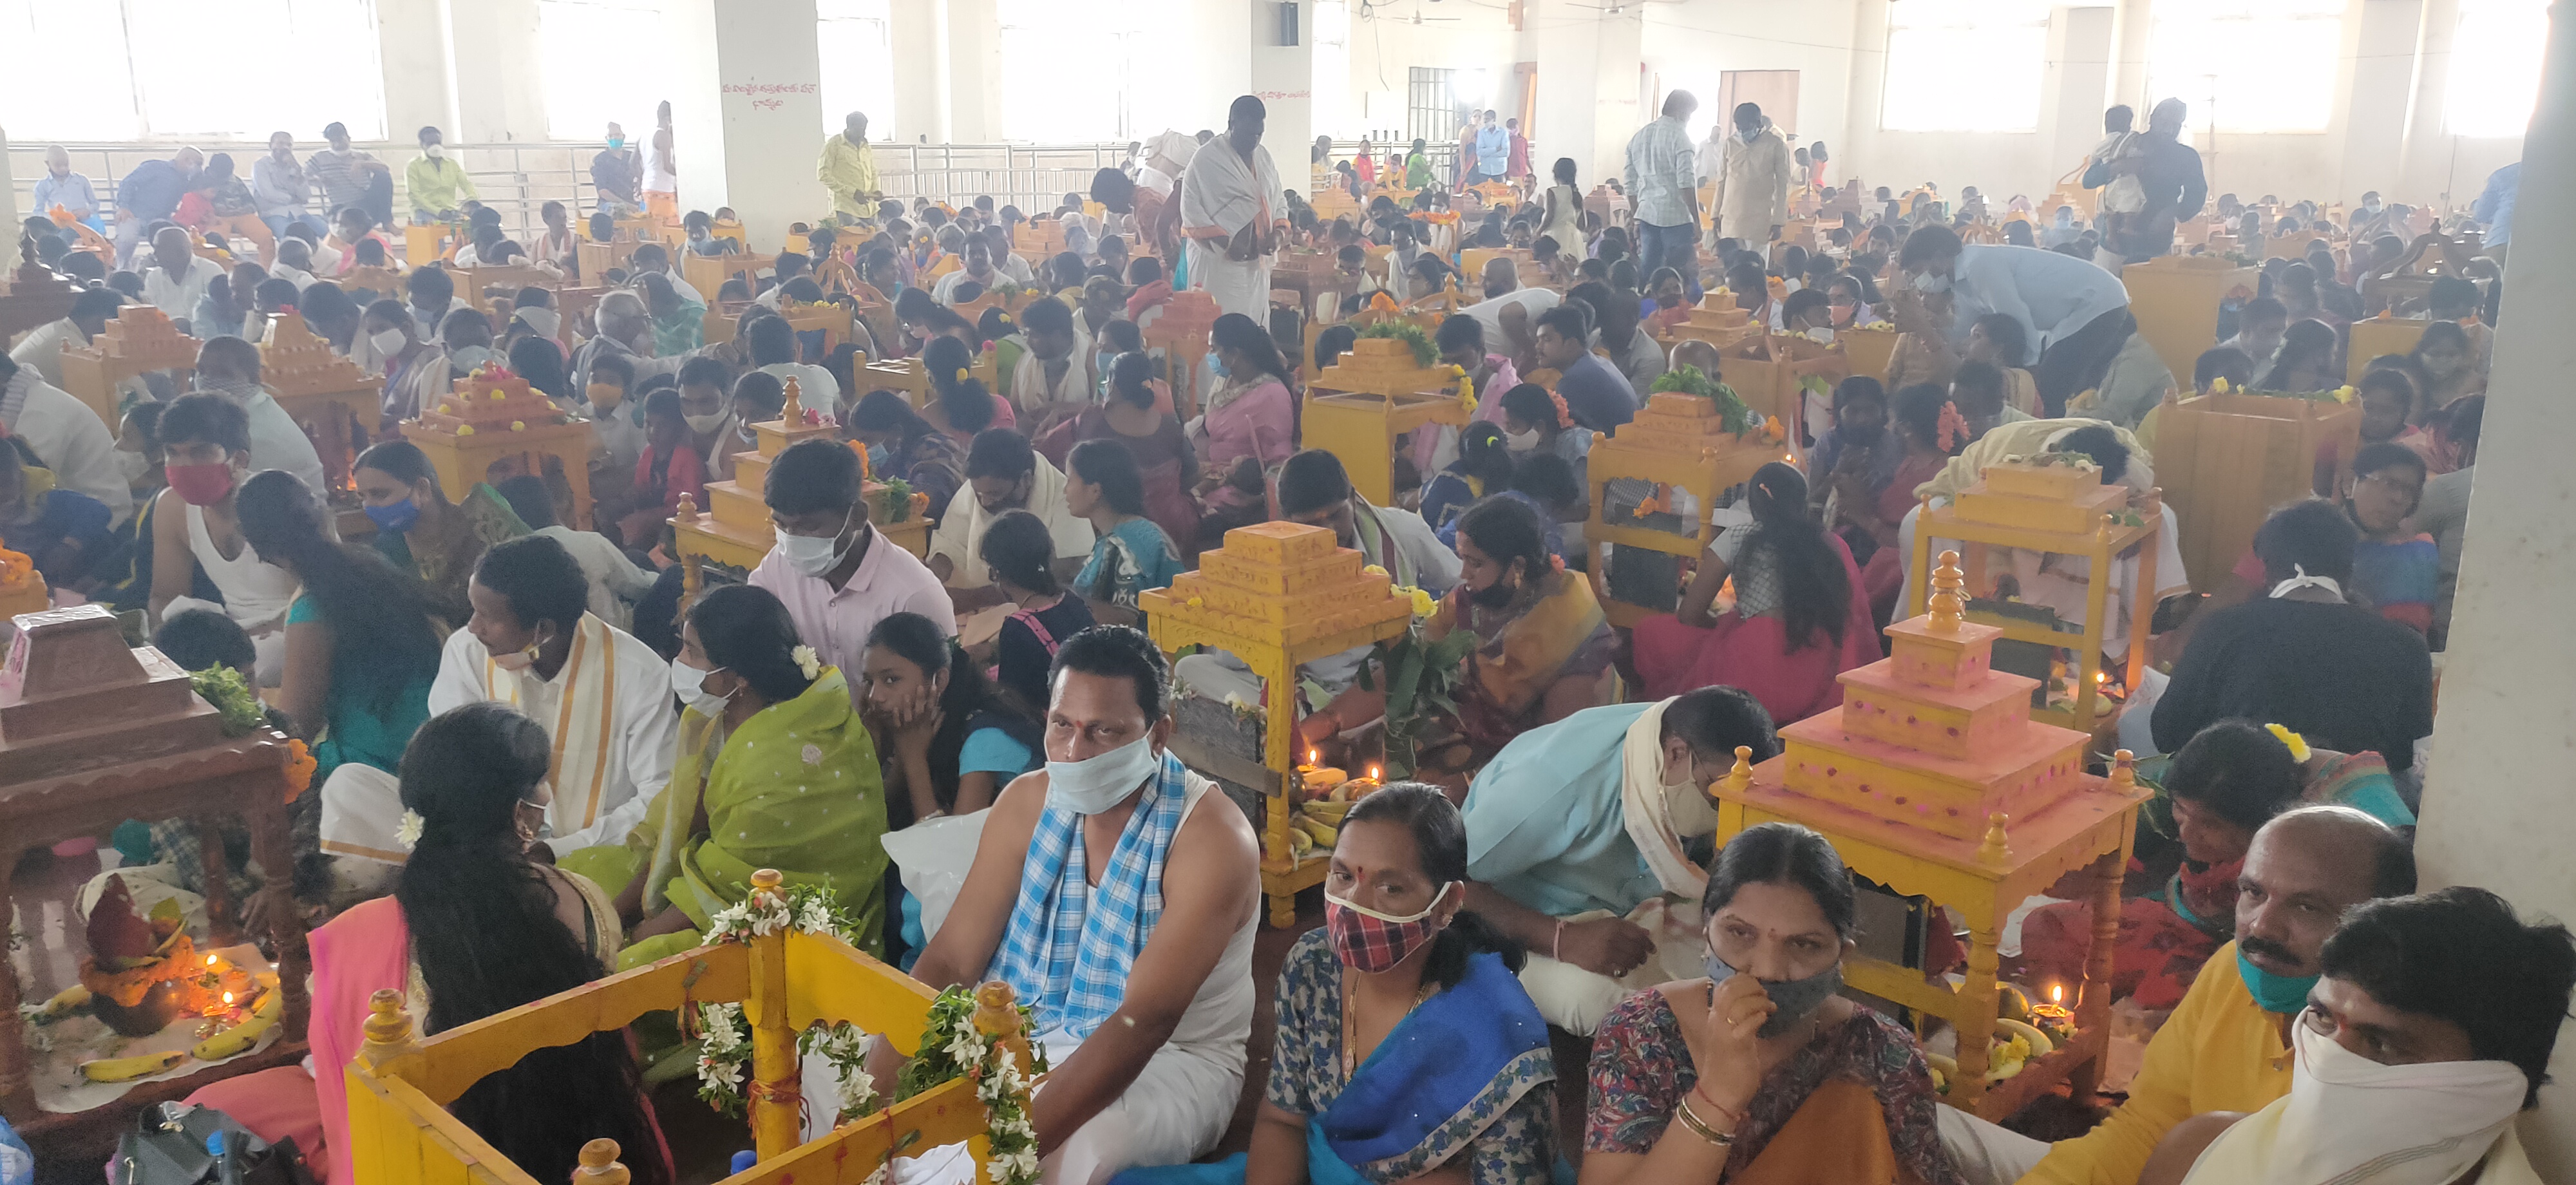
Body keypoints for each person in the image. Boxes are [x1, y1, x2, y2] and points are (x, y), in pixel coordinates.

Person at [184, 701, 670, 1185]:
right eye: (542, 781)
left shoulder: (353, 940)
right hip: (591, 1150)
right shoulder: (586, 901)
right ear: (521, 811)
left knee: (214, 1107)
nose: (549, 793)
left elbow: (349, 1099)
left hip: (432, 1164)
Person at [890, 625, 1259, 1183]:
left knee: (1081, 1149)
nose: (1074, 752)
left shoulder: (1211, 838)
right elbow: (952, 961)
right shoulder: (1027, 801)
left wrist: (1006, 1147)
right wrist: (881, 1090)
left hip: (1168, 1062)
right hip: (1027, 1021)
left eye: (1104, 732)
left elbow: (1144, 1022)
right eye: (1062, 725)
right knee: (847, 1068)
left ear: (1159, 735)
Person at [1940, 805, 2416, 1185]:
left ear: (2377, 923)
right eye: (2253, 893)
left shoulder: (2385, 1059)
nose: (2261, 928)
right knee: (1911, 1119)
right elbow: (2146, 1126)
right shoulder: (2232, 969)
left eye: (2308, 906)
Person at [1127, 784, 1557, 1185]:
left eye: (1391, 887)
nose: (1355, 905)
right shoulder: (1314, 967)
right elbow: (1284, 1120)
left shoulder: (1499, 1036)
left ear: (1446, 905)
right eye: (1344, 875)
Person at [1584, 822, 1961, 1184]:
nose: (1767, 970)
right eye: (1739, 932)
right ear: (1706, 931)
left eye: (1804, 944)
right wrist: (1718, 1094)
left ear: (1840, 957)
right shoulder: (1639, 1033)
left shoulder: (1885, 1053)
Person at [2154, 887, 2572, 1185]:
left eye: (2384, 1044)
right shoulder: (2201, 1151)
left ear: (2493, 1087)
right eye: (2321, 1017)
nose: (2329, 1064)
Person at [1456, 686, 1781, 1034]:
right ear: (1675, 754)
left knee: (1737, 962)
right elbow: (1450, 888)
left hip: (1617, 907)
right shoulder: (1556, 789)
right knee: (1608, 1004)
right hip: (1503, 924)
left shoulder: (1678, 745)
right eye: (1715, 795)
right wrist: (1563, 939)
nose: (1720, 813)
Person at [602, 582, 888, 960]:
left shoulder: (784, 760)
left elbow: (731, 885)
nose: (679, 661)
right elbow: (682, 824)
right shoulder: (708, 717)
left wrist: (635, 938)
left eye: (693, 652)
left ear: (739, 677)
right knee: (587, 885)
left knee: (629, 968)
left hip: (779, 926)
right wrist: (610, 917)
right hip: (708, 884)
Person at [2154, 499, 2432, 770]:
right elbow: (2404, 757)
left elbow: (2169, 732)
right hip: (2350, 804)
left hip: (2234, 802)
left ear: (2266, 568)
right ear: (2349, 569)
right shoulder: (2406, 644)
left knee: (2135, 723)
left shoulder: (2225, 627)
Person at [1634, 463, 1879, 723]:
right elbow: (1850, 613)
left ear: (1754, 504)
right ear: (1802, 502)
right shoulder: (1830, 542)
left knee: (1651, 633)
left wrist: (1720, 629)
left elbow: (1689, 614)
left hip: (1757, 669)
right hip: (1820, 666)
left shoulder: (1740, 536)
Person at [750, 438, 955, 708]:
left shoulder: (913, 595)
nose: (792, 540)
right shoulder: (778, 565)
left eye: (809, 527)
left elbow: (942, 700)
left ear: (857, 516)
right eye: (781, 525)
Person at [1898, 223, 2137, 415]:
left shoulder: (1978, 264)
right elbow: (1961, 335)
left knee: (2046, 392)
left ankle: (2045, 455)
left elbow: (2016, 320)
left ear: (1939, 258)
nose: (1918, 281)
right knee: (2047, 389)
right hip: (2078, 312)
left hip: (2098, 301)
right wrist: (1922, 325)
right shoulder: (1960, 284)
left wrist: (2030, 370)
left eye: (1918, 271)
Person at [146, 394, 299, 681]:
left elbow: (316, 601)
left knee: (262, 662)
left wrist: (238, 640)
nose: (183, 465)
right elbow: (164, 596)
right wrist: (167, 646)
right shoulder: (171, 507)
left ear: (239, 459)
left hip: (290, 630)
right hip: (230, 630)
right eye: (173, 453)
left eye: (200, 452)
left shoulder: (277, 502)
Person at [860, 610, 1041, 831]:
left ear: (940, 680)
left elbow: (951, 853)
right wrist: (902, 753)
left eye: (891, 680)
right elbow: (880, 812)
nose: (875, 697)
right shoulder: (919, 725)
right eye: (869, 682)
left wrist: (914, 760)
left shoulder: (984, 739)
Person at [352, 439, 528, 625]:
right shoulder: (388, 548)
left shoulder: (482, 520)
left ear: (422, 489)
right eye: (363, 497)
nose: (369, 507)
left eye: (380, 494)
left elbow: (530, 575)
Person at [928, 428, 1093, 609]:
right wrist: (933, 579)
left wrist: (973, 599)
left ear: (1026, 479)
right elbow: (950, 544)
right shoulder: (984, 484)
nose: (985, 502)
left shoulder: (1067, 500)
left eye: (995, 494)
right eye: (979, 493)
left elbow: (1058, 576)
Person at [1052, 352, 1197, 555]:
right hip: (1171, 528)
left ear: (1112, 385)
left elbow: (1048, 450)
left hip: (1109, 528)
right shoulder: (1169, 425)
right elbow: (1191, 475)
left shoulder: (1091, 420)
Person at [0, 329, 132, 529]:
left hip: (101, 523)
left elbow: (21, 490)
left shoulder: (42, 413)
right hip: (61, 513)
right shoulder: (25, 401)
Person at [491, 475, 654, 631]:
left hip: (545, 645)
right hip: (607, 638)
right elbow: (639, 586)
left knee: (633, 558)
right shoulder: (589, 542)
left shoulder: (505, 560)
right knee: (663, 575)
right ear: (555, 506)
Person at [977, 508, 1097, 716]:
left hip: (1049, 727)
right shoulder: (1071, 600)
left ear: (996, 572)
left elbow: (1012, 702)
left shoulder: (1017, 627)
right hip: (1092, 706)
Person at [1181, 96, 1289, 321]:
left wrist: (1277, 235)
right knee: (1221, 333)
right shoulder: (1207, 159)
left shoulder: (1264, 158)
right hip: (1220, 268)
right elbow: (1191, 211)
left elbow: (1278, 200)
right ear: (1231, 124)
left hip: (1255, 268)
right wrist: (1228, 242)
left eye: (1259, 133)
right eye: (1248, 133)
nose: (1254, 140)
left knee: (1253, 332)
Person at [1065, 438, 1186, 623]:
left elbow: (1123, 622)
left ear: (1095, 491)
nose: (1065, 490)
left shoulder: (1120, 546)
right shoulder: (1142, 530)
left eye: (1070, 480)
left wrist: (1066, 599)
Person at [191, 336, 329, 498]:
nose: (207, 381)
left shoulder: (257, 433)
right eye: (201, 371)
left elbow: (226, 495)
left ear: (254, 379)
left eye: (223, 374)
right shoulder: (234, 415)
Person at [2085, 99, 2206, 263]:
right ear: (2152, 119)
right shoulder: (2126, 143)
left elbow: (2197, 195)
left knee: (2148, 288)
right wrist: (2119, 166)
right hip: (2114, 242)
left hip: (2156, 244)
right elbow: (2089, 181)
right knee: (2106, 288)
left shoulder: (2187, 157)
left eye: (2176, 125)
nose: (2169, 130)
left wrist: (2175, 212)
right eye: (2164, 123)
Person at [1624, 91, 1703, 293]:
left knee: (1649, 271)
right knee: (1681, 273)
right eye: (1690, 114)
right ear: (1681, 110)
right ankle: (1685, 316)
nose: (1689, 119)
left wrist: (1636, 216)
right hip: (1675, 217)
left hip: (1648, 215)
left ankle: (1648, 310)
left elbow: (1630, 183)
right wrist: (1696, 219)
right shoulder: (1680, 137)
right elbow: (1686, 182)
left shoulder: (1639, 137)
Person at [849, 390, 969, 523]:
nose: (865, 448)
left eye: (868, 440)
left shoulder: (935, 450)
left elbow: (922, 505)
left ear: (896, 432)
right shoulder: (898, 455)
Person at [1535, 303, 1637, 431]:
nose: (1538, 347)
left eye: (1547, 340)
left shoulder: (1574, 379)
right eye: (1538, 340)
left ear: (1571, 344)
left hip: (1616, 448)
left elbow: (1564, 430)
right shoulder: (1597, 362)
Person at [1710, 102, 1791, 253]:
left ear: (1758, 123)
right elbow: (1721, 180)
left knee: (1755, 266)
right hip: (1731, 219)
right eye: (1738, 126)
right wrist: (1715, 214)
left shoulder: (1775, 145)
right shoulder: (1730, 144)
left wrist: (1778, 222)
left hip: (1760, 220)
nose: (1741, 130)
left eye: (1745, 126)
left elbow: (1783, 185)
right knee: (1731, 265)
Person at [1010, 296, 1095, 435]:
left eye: (1035, 336)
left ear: (1057, 336)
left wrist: (1063, 410)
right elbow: (1015, 408)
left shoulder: (1091, 355)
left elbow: (1104, 406)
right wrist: (1024, 421)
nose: (1029, 342)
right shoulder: (1025, 361)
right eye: (1027, 334)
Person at [1419, 422, 1519, 536]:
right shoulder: (1516, 475)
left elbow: (1426, 513)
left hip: (1446, 548)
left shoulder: (1449, 481)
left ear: (1462, 451)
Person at [1575, 280, 1669, 395]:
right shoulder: (1597, 336)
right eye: (1603, 319)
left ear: (1632, 320)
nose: (1603, 326)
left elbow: (1632, 404)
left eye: (1610, 320)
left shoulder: (1650, 358)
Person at [113, 147, 202, 266]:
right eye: (198, 164)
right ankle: (122, 271)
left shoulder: (189, 181)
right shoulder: (155, 167)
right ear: (187, 160)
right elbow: (128, 182)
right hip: (133, 215)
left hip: (160, 221)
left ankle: (156, 268)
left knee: (173, 242)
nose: (199, 169)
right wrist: (123, 207)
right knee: (126, 240)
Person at [141, 225, 226, 333]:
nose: (155, 254)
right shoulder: (154, 277)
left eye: (160, 248)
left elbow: (222, 315)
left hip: (203, 339)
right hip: (163, 339)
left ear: (181, 250)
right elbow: (150, 316)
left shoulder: (211, 271)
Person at [819, 113, 880, 224]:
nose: (863, 132)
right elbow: (823, 175)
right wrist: (852, 192)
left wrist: (875, 191)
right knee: (852, 241)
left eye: (864, 128)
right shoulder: (834, 144)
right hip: (847, 208)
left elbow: (873, 172)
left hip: (870, 209)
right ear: (849, 126)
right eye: (859, 128)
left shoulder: (866, 146)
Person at [33, 145, 103, 231]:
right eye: (58, 165)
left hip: (84, 223)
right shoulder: (43, 185)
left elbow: (95, 204)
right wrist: (55, 216)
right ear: (48, 163)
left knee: (96, 229)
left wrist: (87, 211)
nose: (63, 168)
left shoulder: (82, 180)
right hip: (60, 225)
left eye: (66, 164)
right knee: (66, 232)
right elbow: (37, 213)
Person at [2219, 294, 2287, 373]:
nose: (2278, 341)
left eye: (2281, 331)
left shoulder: (2283, 357)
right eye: (2271, 331)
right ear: (2246, 330)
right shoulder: (2220, 361)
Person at [590, 124, 641, 216]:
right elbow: (603, 191)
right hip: (610, 203)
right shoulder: (600, 160)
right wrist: (627, 205)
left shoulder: (631, 157)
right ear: (607, 138)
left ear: (623, 136)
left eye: (617, 135)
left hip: (634, 200)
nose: (614, 138)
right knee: (619, 211)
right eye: (611, 136)